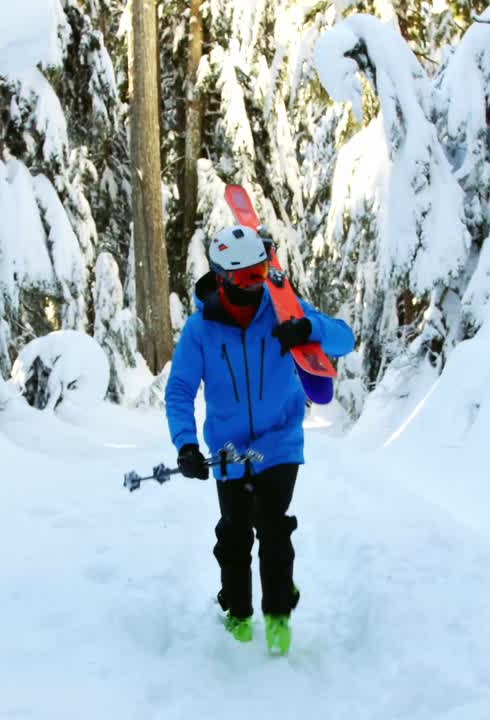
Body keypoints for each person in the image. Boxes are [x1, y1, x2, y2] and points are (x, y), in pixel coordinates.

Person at [165, 224, 355, 655]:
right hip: (229, 452)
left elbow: (345, 338)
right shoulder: (200, 330)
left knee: (272, 527)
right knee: (234, 534)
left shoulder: (282, 308)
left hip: (279, 441)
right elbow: (179, 389)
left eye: (262, 271)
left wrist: (308, 329)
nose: (258, 283)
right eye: (248, 276)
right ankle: (237, 614)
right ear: (224, 279)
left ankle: (278, 617)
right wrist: (186, 444)